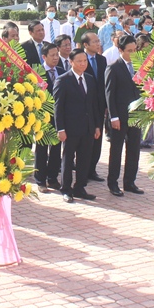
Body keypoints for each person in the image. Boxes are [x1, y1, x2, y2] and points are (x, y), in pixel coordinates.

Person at [53, 49, 103, 203]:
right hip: (70, 128)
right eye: (79, 61)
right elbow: (58, 107)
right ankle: (66, 189)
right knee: (68, 159)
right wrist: (60, 129)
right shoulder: (63, 80)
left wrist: (96, 126)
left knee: (85, 159)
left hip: (87, 128)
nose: (83, 64)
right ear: (71, 62)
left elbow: (93, 105)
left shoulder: (89, 79)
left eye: (85, 61)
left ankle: (80, 187)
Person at [105, 36, 144, 197]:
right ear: (120, 50)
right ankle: (113, 183)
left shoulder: (139, 66)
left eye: (135, 50)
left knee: (134, 149)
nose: (133, 53)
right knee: (116, 151)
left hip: (136, 116)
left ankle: (130, 182)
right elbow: (109, 94)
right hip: (119, 117)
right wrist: (113, 117)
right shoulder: (113, 68)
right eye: (129, 51)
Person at [35, 43, 64, 191]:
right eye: (52, 55)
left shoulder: (61, 70)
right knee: (42, 148)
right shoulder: (38, 73)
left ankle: (52, 178)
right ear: (44, 57)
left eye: (57, 54)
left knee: (56, 148)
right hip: (43, 116)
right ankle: (40, 180)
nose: (55, 58)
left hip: (59, 116)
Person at [80, 32, 107, 182]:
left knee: (98, 137)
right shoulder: (80, 59)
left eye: (98, 41)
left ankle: (92, 169)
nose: (98, 44)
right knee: (85, 139)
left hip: (99, 105)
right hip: (84, 105)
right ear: (86, 45)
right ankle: (82, 168)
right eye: (94, 41)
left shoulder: (102, 60)